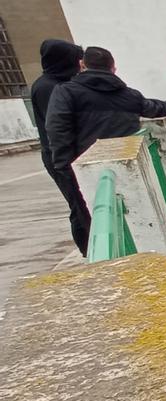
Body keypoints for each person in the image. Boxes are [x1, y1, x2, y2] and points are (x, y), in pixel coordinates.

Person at [44, 46, 166, 253]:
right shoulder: (128, 95)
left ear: (82, 65)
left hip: (84, 167)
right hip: (126, 165)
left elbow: (57, 128)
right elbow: (152, 108)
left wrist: (63, 166)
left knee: (91, 216)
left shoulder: (66, 92)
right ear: (113, 68)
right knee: (130, 213)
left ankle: (98, 257)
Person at [30, 39, 90, 256]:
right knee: (80, 207)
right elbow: (59, 127)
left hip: (68, 155)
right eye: (76, 61)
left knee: (86, 204)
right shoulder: (48, 88)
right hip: (62, 158)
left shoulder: (59, 84)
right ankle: (88, 251)